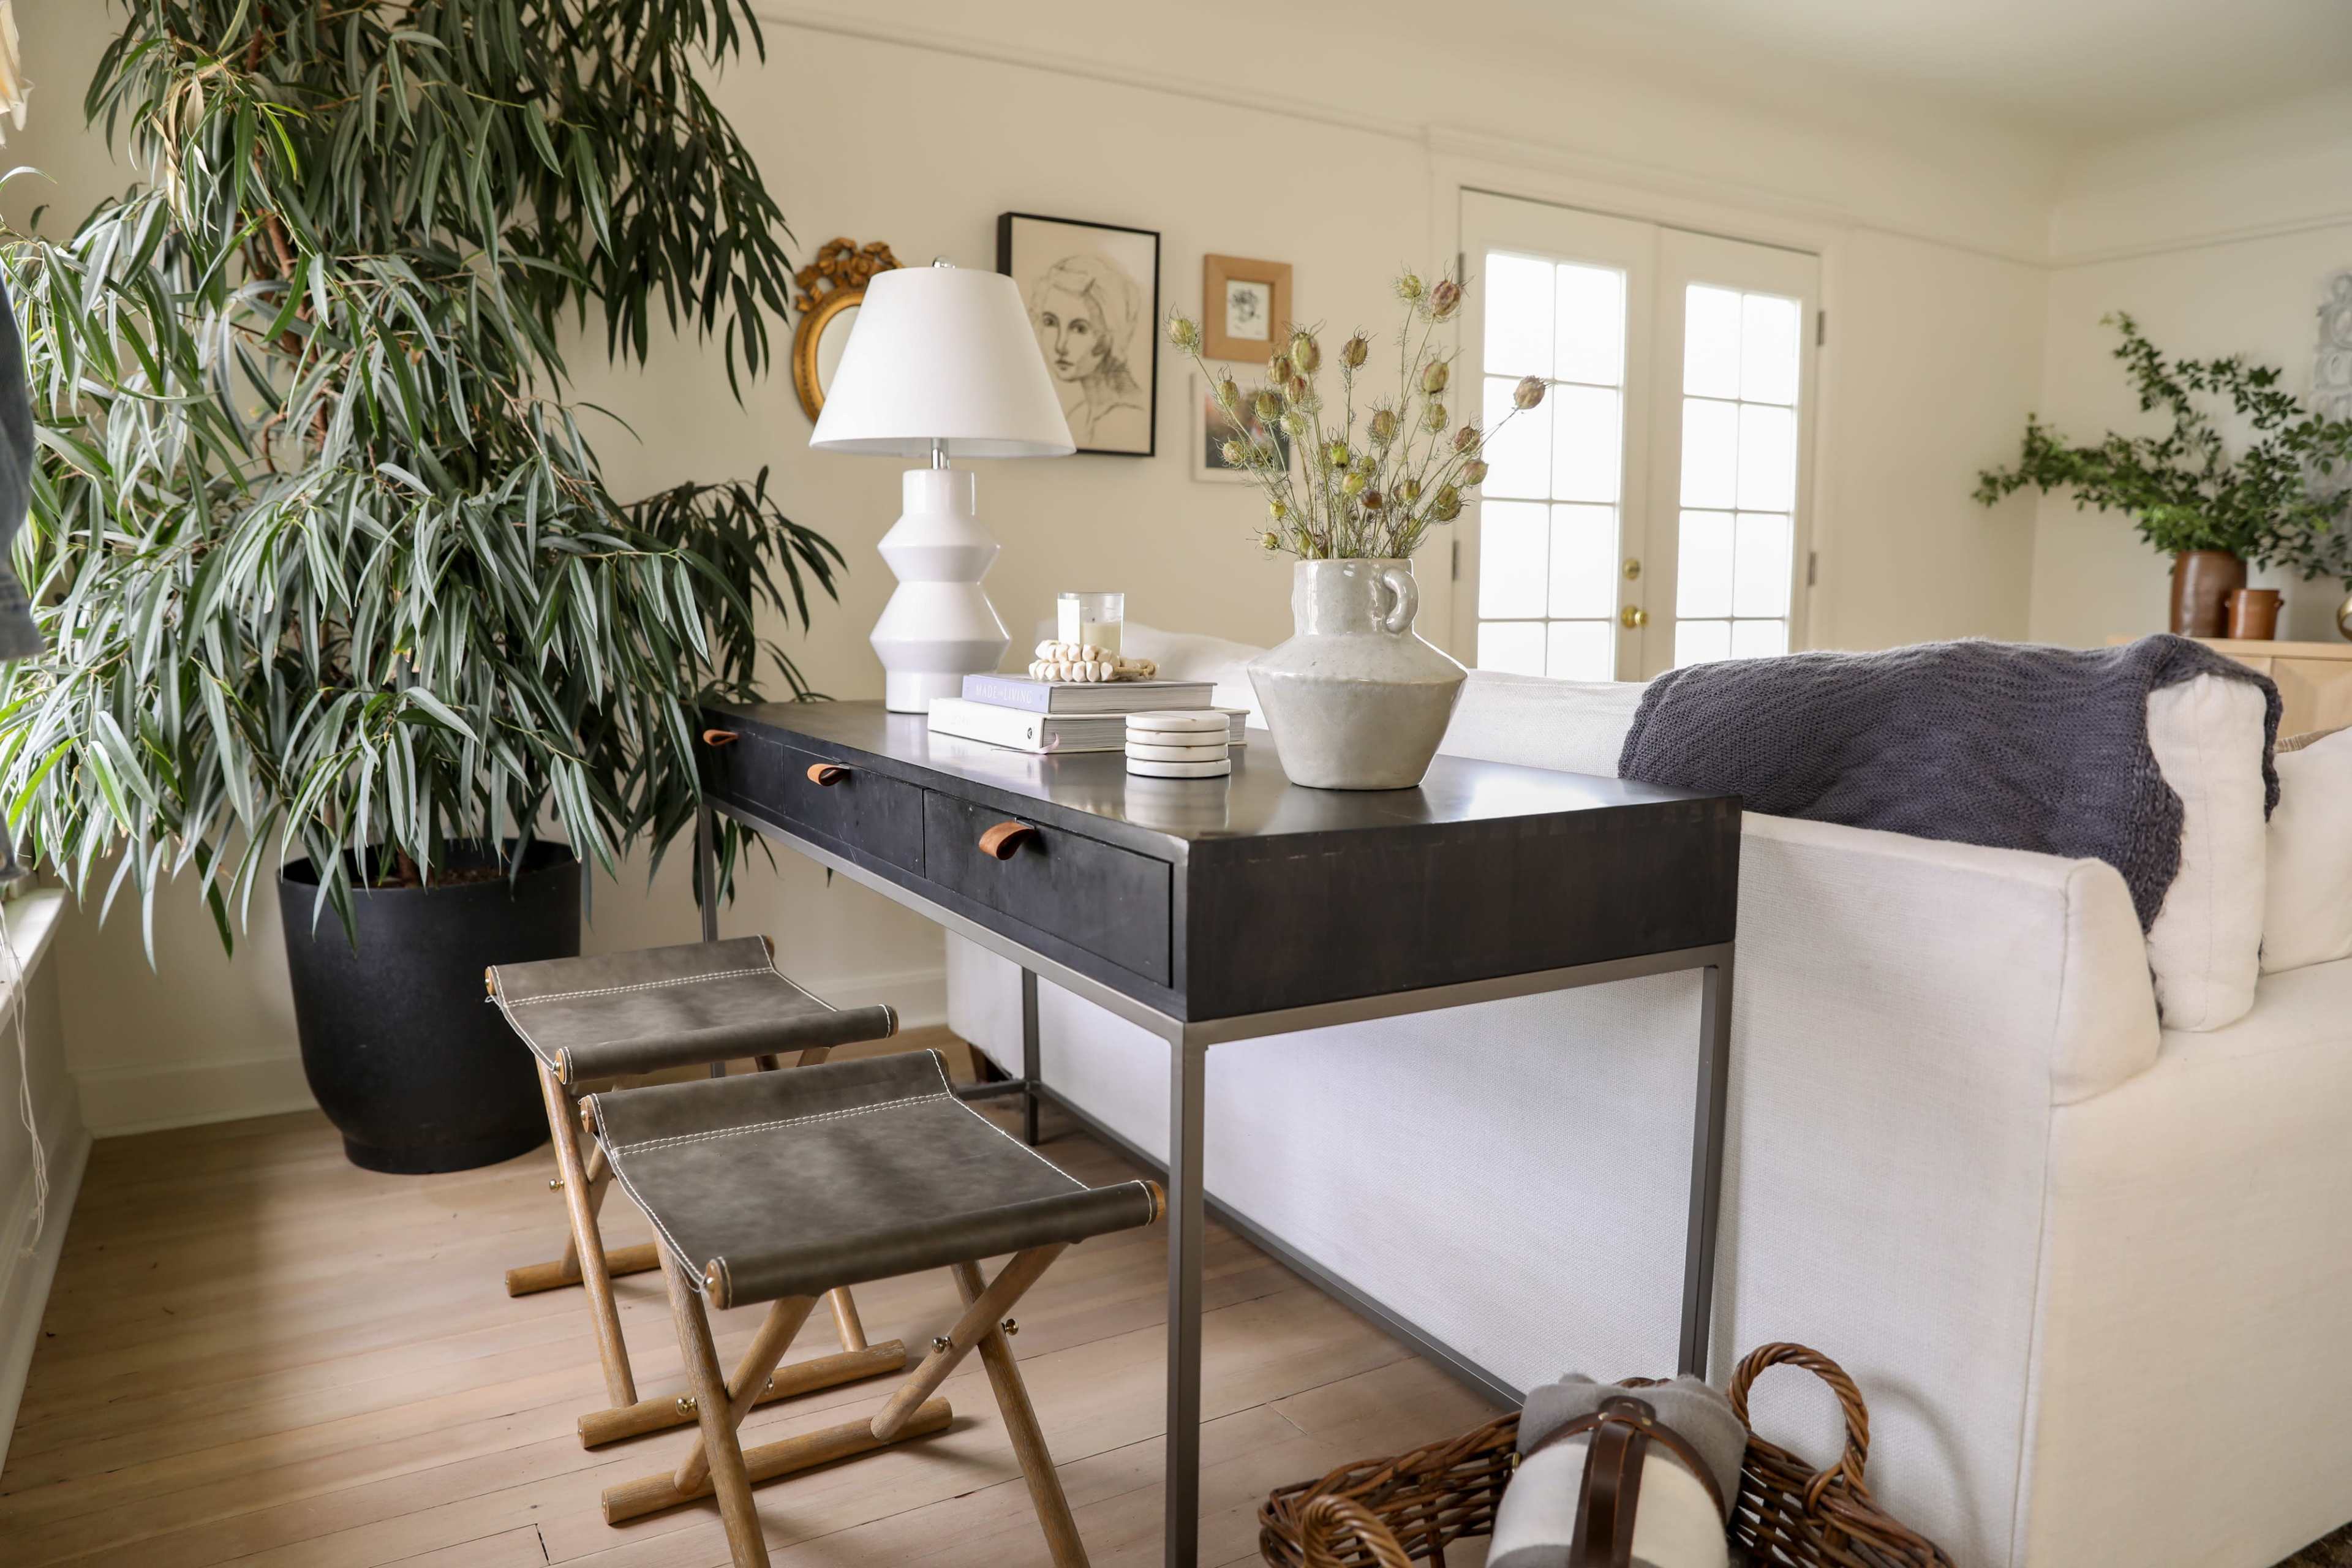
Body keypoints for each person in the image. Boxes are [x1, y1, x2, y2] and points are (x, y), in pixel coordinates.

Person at [1028, 254, 1147, 450]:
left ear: (1109, 336)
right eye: (1050, 322)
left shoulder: (1127, 417)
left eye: (1079, 328)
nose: (1060, 345)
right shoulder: (1078, 417)